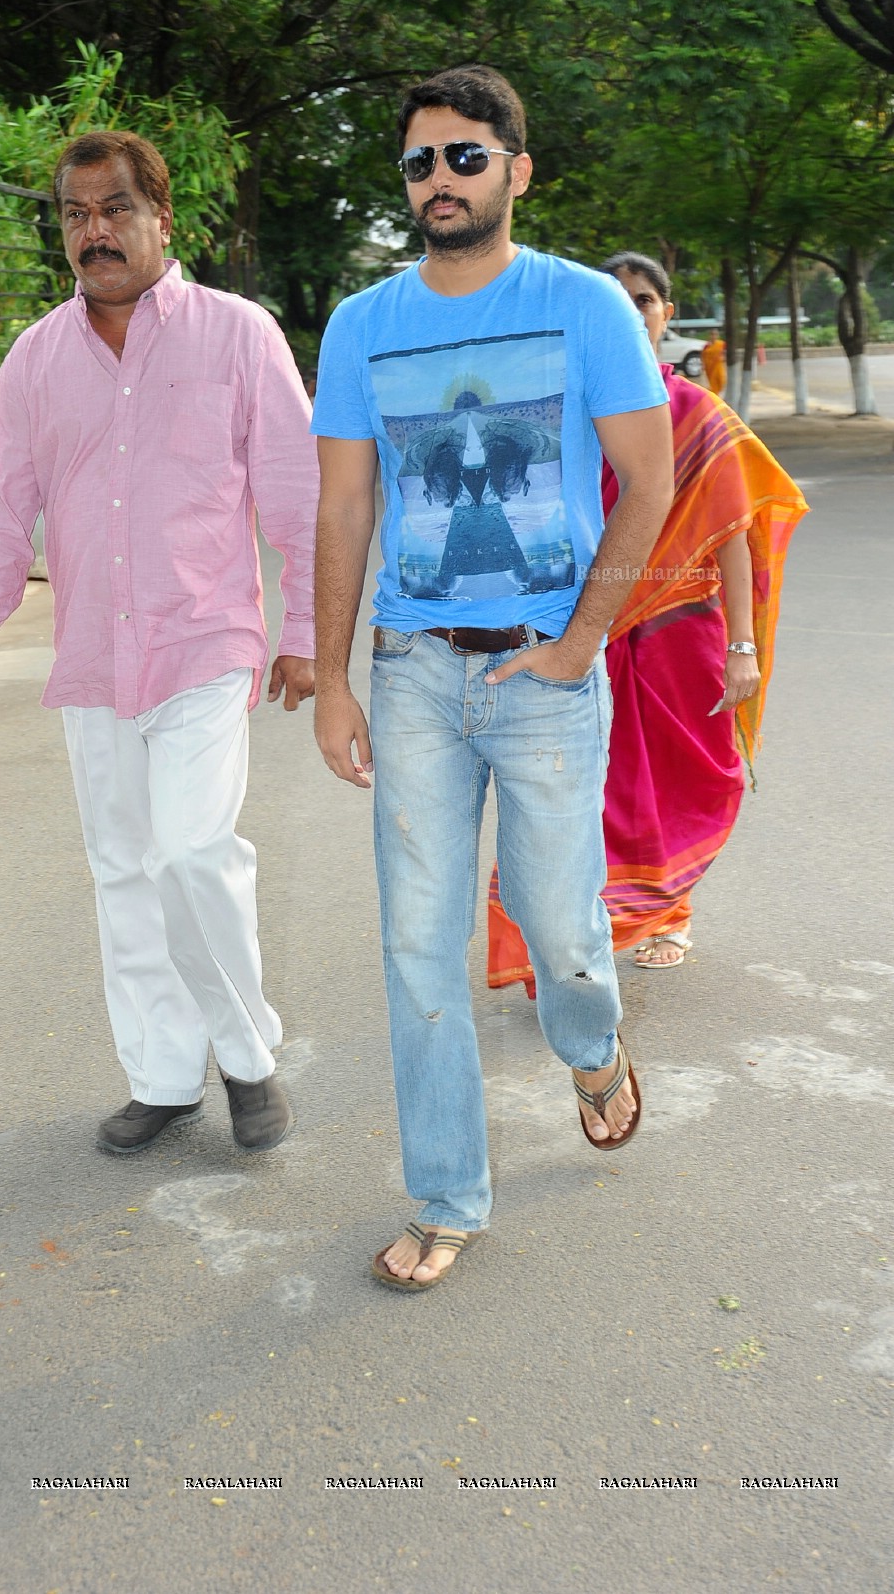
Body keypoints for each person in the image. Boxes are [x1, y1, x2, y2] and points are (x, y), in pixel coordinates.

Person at [311, 66, 675, 1290]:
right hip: (413, 669)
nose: (438, 181)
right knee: (418, 944)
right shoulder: (361, 322)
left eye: (465, 157)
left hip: (542, 673)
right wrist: (333, 676)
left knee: (564, 928)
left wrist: (576, 644)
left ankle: (590, 1043)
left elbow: (649, 478)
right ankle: (445, 1192)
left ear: (517, 169)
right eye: (419, 162)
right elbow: (345, 500)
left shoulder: (581, 306)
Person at [0, 131, 318, 1156]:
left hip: (204, 641)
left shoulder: (237, 334)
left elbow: (295, 492)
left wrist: (307, 632)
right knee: (123, 869)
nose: (93, 231)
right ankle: (159, 1074)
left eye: (114, 210)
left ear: (161, 220)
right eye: (74, 214)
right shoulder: (36, 358)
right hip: (93, 658)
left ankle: (246, 1058)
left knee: (191, 849)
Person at [489, 252, 807, 982]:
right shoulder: (563, 413)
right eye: (616, 300)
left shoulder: (697, 414)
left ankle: (667, 911)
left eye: (645, 300)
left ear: (666, 313)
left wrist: (741, 647)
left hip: (676, 632)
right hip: (580, 628)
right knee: (576, 791)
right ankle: (570, 936)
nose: (632, 312)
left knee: (675, 785)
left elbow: (732, 533)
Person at [702, 328, 727, 398]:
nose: (713, 336)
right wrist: (703, 364)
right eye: (712, 334)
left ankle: (717, 394)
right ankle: (715, 397)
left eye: (715, 334)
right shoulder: (706, 346)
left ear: (718, 335)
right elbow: (703, 356)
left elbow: (725, 353)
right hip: (709, 367)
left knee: (722, 380)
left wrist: (724, 358)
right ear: (709, 336)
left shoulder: (722, 344)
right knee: (712, 384)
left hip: (718, 366)